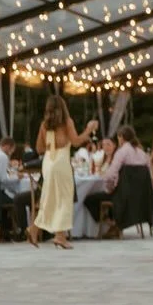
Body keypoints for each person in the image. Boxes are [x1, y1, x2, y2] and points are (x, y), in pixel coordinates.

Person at [28, 97, 98, 251]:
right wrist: (88, 129)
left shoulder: (44, 125)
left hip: (48, 161)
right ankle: (57, 236)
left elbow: (39, 148)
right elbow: (76, 141)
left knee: (49, 197)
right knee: (64, 198)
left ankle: (39, 229)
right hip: (61, 161)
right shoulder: (67, 122)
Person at [100, 125, 150, 193]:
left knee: (89, 199)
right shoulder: (142, 153)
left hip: (123, 195)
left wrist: (109, 189)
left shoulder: (121, 152)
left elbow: (110, 176)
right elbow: (149, 174)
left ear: (121, 137)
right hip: (140, 195)